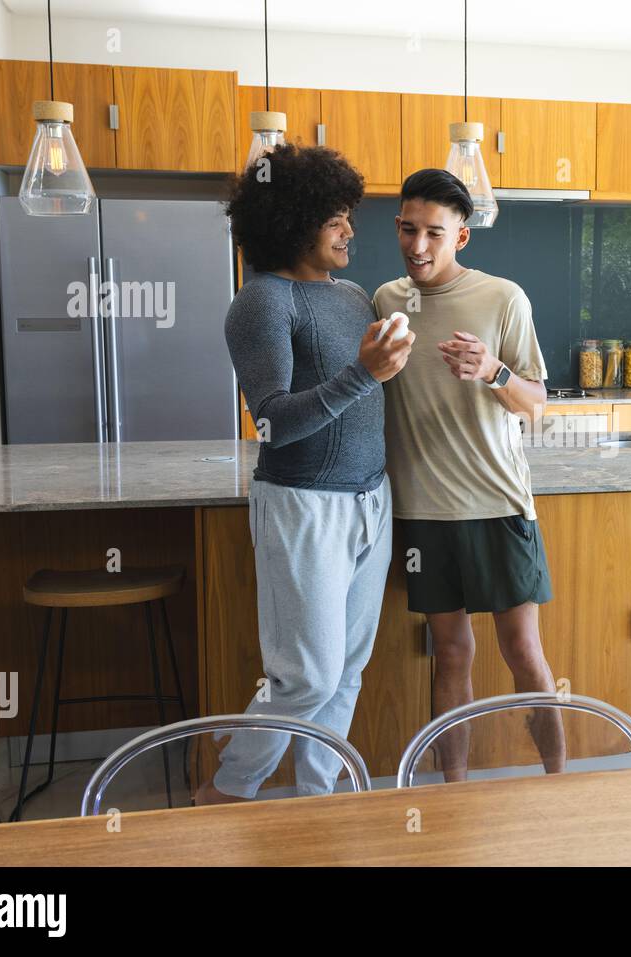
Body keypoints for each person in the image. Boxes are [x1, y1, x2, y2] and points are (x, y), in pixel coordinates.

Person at [198, 143, 414, 804]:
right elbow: (271, 420)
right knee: (306, 678)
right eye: (334, 218)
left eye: (348, 215)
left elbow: (367, 390)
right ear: (293, 223)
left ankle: (320, 803)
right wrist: (363, 375)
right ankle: (230, 788)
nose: (350, 229)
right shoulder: (261, 303)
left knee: (347, 669)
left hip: (370, 500)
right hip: (301, 504)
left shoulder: (351, 296)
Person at [374, 168, 565, 782]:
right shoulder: (385, 301)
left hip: (499, 504)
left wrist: (495, 373)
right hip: (423, 512)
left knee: (524, 653)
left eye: (434, 231)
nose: (418, 246)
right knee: (449, 654)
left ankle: (560, 781)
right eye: (408, 229)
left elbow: (537, 405)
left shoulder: (502, 298)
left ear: (462, 237)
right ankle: (452, 794)